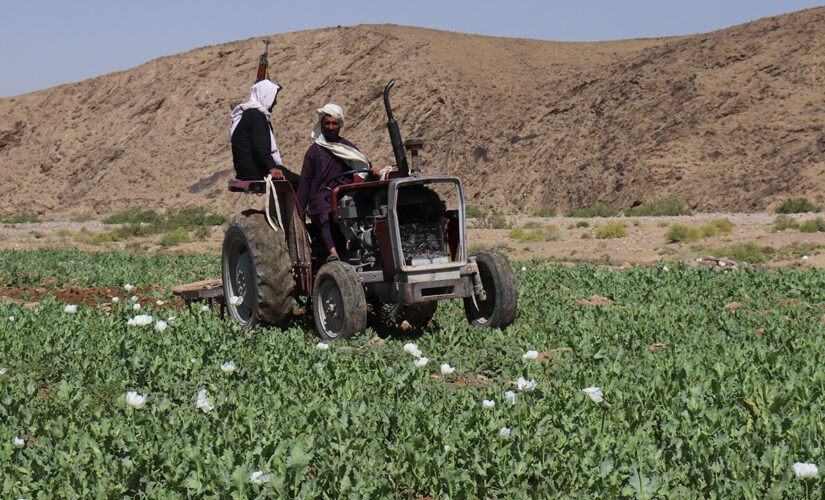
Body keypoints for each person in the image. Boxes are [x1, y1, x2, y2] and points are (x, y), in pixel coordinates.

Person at [297, 104, 376, 260]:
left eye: (334, 123)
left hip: (345, 193)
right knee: (324, 213)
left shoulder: (346, 147)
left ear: (340, 125)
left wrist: (373, 172)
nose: (331, 127)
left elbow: (363, 165)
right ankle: (334, 254)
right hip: (322, 194)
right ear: (322, 124)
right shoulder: (314, 152)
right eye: (327, 123)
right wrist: (299, 211)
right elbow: (305, 182)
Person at [229, 80, 299, 190]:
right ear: (266, 96)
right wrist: (272, 168)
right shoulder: (257, 116)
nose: (275, 102)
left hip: (245, 171)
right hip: (256, 172)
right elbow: (260, 148)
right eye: (274, 98)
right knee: (303, 183)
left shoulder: (247, 114)